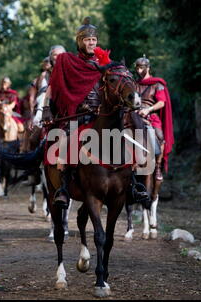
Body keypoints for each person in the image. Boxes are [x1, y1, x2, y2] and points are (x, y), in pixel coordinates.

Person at [43, 17, 147, 208]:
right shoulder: (69, 61)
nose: (91, 43)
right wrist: (46, 108)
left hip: (102, 116)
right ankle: (63, 189)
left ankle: (134, 186)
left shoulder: (105, 63)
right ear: (80, 41)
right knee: (65, 145)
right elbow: (53, 87)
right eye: (87, 40)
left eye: (94, 40)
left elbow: (117, 86)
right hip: (77, 115)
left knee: (130, 142)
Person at [134, 55, 174, 180]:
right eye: (137, 68)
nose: (138, 71)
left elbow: (161, 102)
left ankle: (157, 166)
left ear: (148, 68)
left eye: (141, 68)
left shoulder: (157, 84)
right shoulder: (133, 84)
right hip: (134, 115)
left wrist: (148, 109)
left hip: (151, 116)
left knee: (160, 137)